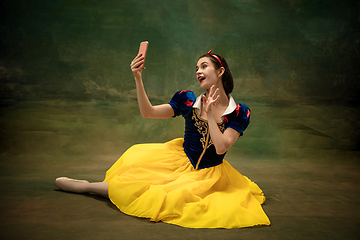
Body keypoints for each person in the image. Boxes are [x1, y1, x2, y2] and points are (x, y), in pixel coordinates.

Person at [55, 50, 271, 229]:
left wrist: (212, 113)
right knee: (141, 184)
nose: (198, 71)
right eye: (196, 68)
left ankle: (90, 187)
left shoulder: (240, 112)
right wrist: (138, 78)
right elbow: (148, 112)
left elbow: (222, 147)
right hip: (179, 161)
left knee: (172, 197)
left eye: (204, 66)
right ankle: (89, 186)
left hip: (210, 174)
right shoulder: (187, 101)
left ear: (220, 71)